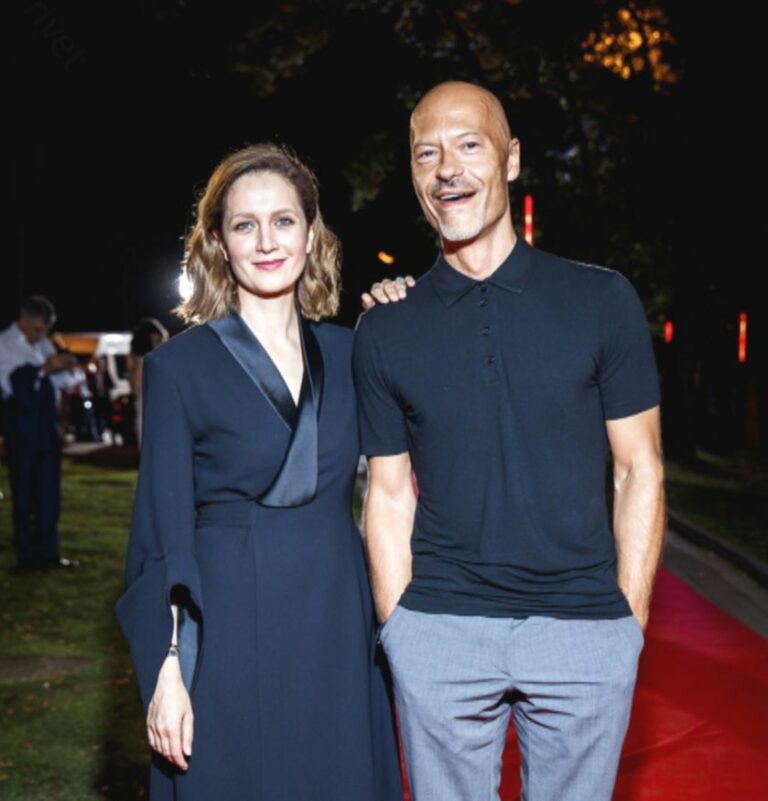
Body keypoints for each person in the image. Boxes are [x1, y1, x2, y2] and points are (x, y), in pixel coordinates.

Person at [353, 81, 665, 801]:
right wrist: (401, 630)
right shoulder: (386, 327)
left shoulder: (601, 300)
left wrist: (626, 624)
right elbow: (388, 494)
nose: (447, 169)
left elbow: (639, 469)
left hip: (583, 626)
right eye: (426, 153)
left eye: (469, 145)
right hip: (441, 627)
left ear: (512, 158)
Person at [115, 144, 403, 801]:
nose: (267, 241)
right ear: (219, 241)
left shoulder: (356, 351)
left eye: (284, 221)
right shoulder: (178, 368)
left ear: (311, 232)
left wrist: (407, 310)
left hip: (336, 621)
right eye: (245, 224)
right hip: (229, 629)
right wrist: (167, 668)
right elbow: (162, 536)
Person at [0, 296, 81, 570]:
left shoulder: (44, 343)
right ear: (23, 321)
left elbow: (65, 382)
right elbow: (11, 388)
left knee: (49, 495)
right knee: (24, 496)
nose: (41, 335)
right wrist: (44, 368)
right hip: (21, 429)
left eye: (45, 330)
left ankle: (48, 553)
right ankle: (26, 556)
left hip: (47, 427)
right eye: (37, 329)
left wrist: (64, 366)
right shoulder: (4, 344)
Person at [127, 317, 169, 445]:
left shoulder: (139, 360)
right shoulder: (144, 361)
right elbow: (138, 390)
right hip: (152, 409)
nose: (161, 342)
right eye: (158, 339)